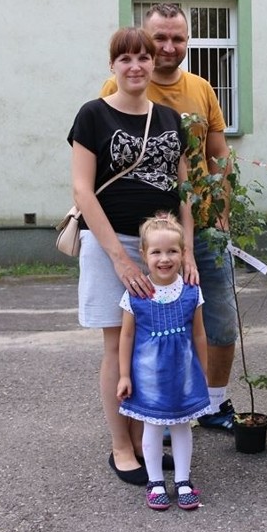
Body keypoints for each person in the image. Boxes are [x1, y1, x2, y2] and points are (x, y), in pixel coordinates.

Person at [67, 26, 198, 485]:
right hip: (112, 246)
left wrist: (188, 251)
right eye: (126, 59)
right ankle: (121, 446)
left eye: (143, 57)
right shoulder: (93, 116)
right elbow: (83, 190)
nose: (137, 66)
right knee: (115, 345)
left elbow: (184, 192)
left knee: (153, 341)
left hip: (161, 248)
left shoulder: (169, 118)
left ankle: (145, 438)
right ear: (113, 66)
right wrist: (120, 259)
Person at [100, 3, 238, 432]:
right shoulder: (117, 86)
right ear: (143, 40)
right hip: (142, 234)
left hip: (200, 226)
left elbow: (218, 155)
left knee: (218, 317)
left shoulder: (201, 89)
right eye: (159, 38)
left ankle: (212, 403)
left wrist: (222, 211)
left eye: (177, 38)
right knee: (148, 325)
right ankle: (154, 410)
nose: (168, 46)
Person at [117, 212, 210, 511]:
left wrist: (203, 372)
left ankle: (183, 479)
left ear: (183, 253)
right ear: (144, 255)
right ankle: (155, 480)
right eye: (156, 252)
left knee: (183, 427)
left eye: (172, 251)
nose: (164, 258)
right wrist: (123, 376)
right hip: (148, 380)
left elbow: (199, 335)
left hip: (183, 377)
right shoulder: (135, 294)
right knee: (152, 429)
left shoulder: (192, 291)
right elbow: (127, 337)